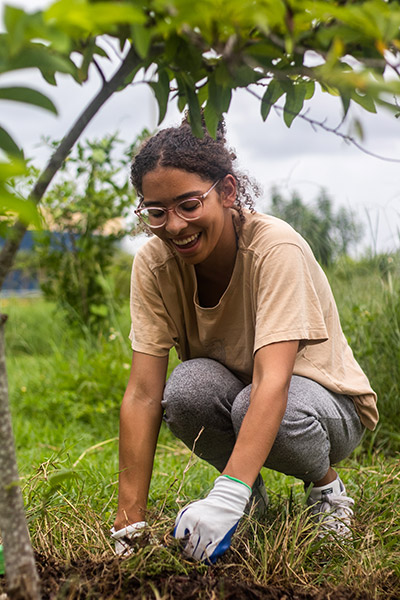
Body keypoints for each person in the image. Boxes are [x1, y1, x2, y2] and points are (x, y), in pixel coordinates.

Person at [110, 117, 378, 563]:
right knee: (186, 389)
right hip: (245, 397)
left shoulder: (275, 248)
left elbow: (273, 381)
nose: (174, 226)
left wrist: (223, 495)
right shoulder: (154, 267)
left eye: (189, 205)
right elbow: (142, 394)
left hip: (322, 408)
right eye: (156, 212)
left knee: (257, 401)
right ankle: (249, 502)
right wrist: (129, 520)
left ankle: (326, 487)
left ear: (227, 192)